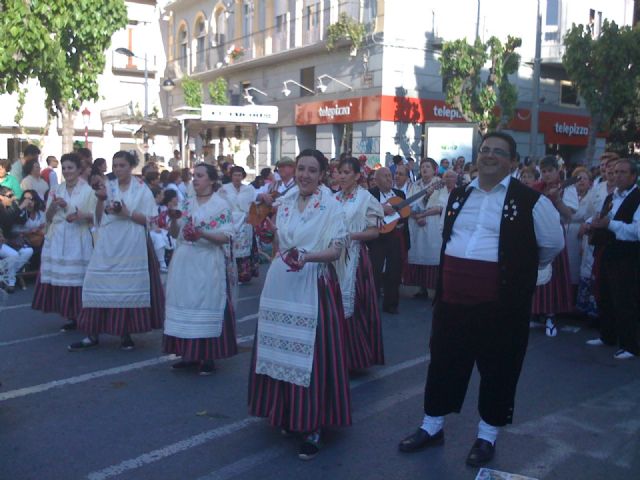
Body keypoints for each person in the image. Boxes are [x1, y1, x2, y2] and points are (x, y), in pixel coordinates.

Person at [398, 131, 564, 467]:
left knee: (498, 369)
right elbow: (452, 239)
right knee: (444, 363)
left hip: (500, 305)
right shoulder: (458, 195)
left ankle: (487, 436)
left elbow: (552, 245)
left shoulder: (533, 201)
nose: (488, 156)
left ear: (513, 162)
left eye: (498, 152)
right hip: (453, 301)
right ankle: (432, 426)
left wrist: (519, 273)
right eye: (485, 150)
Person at [248, 148, 350, 460]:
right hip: (281, 281)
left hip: (313, 282)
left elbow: (335, 251)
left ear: (323, 176)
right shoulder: (285, 202)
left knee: (313, 356)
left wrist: (306, 257)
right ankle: (287, 414)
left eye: (311, 170)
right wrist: (263, 218)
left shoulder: (332, 207)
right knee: (280, 347)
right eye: (300, 169)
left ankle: (314, 425)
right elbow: (273, 238)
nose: (304, 175)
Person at [68, 151, 164, 351]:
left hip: (132, 242)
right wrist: (102, 200)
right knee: (95, 284)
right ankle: (91, 333)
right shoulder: (107, 186)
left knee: (126, 288)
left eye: (122, 165)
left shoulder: (141, 189)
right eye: (115, 165)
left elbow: (150, 220)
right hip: (108, 242)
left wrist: (126, 212)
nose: (118, 169)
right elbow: (98, 218)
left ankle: (125, 333)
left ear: (131, 167)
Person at [163, 163, 238, 375]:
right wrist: (173, 220)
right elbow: (175, 232)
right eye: (194, 176)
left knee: (206, 302)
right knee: (185, 302)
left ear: (212, 180)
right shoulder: (187, 203)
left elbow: (226, 236)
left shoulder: (220, 205)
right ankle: (188, 354)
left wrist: (202, 234)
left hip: (206, 260)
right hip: (185, 260)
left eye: (200, 176)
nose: (195, 179)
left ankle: (208, 356)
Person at [32, 153, 95, 331]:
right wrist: (54, 206)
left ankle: (84, 314)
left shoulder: (88, 190)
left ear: (78, 170)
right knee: (62, 279)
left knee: (78, 279)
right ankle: (71, 315)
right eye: (64, 168)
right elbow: (48, 217)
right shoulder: (56, 189)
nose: (67, 171)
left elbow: (95, 216)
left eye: (70, 168)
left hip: (78, 236)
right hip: (59, 236)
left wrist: (77, 213)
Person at [586, 158, 640, 359]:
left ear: (633, 176)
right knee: (605, 295)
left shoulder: (637, 198)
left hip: (627, 256)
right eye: (615, 172)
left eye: (622, 172)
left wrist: (610, 225)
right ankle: (608, 335)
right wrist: (589, 223)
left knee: (625, 300)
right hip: (607, 251)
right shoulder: (612, 196)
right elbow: (601, 216)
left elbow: (636, 231)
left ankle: (630, 345)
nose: (617, 176)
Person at [334, 157, 384, 371]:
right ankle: (336, 355)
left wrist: (349, 236)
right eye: (340, 172)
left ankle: (355, 358)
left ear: (357, 176)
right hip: (333, 257)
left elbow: (374, 232)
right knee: (333, 305)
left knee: (354, 306)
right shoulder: (333, 198)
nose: (342, 176)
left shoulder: (366, 199)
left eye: (347, 173)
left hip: (355, 258)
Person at [531, 156, 576, 337]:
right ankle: (536, 312)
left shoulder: (568, 188)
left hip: (555, 236)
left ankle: (551, 315)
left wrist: (557, 200)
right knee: (537, 275)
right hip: (536, 236)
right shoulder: (537, 189)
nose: (547, 174)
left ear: (558, 171)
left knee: (552, 277)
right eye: (544, 171)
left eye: (550, 171)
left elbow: (569, 216)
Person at [367, 167, 409, 314]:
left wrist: (401, 220)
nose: (389, 179)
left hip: (394, 236)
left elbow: (405, 214)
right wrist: (381, 209)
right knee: (375, 270)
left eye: (390, 176)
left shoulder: (399, 194)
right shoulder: (370, 194)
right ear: (376, 180)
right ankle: (372, 302)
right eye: (385, 176)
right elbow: (366, 213)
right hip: (377, 236)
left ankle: (391, 304)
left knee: (394, 271)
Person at [405, 158, 446, 298]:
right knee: (418, 254)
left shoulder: (440, 185)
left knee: (431, 254)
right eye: (422, 166)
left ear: (434, 169)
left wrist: (423, 214)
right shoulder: (414, 185)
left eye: (428, 166)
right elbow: (407, 205)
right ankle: (421, 288)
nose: (424, 169)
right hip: (416, 223)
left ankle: (434, 289)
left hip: (431, 223)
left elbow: (441, 206)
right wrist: (416, 216)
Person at [221, 166, 258, 283]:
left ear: (243, 176)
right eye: (235, 175)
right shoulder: (224, 189)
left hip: (244, 222)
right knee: (229, 250)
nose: (237, 177)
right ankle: (229, 275)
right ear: (231, 176)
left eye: (239, 175)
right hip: (230, 221)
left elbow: (253, 204)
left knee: (244, 251)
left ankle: (243, 275)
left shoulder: (249, 189)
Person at [0, 187, 32, 292]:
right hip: (2, 242)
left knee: (28, 251)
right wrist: (21, 206)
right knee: (13, 255)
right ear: (1, 197)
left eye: (13, 195)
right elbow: (7, 221)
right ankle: (11, 282)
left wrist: (27, 209)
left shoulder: (11, 207)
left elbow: (20, 221)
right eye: (9, 196)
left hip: (9, 241)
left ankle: (7, 274)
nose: (12, 198)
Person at [149, 189, 178, 273]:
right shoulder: (152, 206)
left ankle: (171, 263)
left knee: (170, 238)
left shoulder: (164, 208)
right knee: (158, 238)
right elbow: (150, 219)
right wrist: (154, 227)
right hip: (151, 230)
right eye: (161, 194)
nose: (163, 197)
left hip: (161, 230)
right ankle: (162, 264)